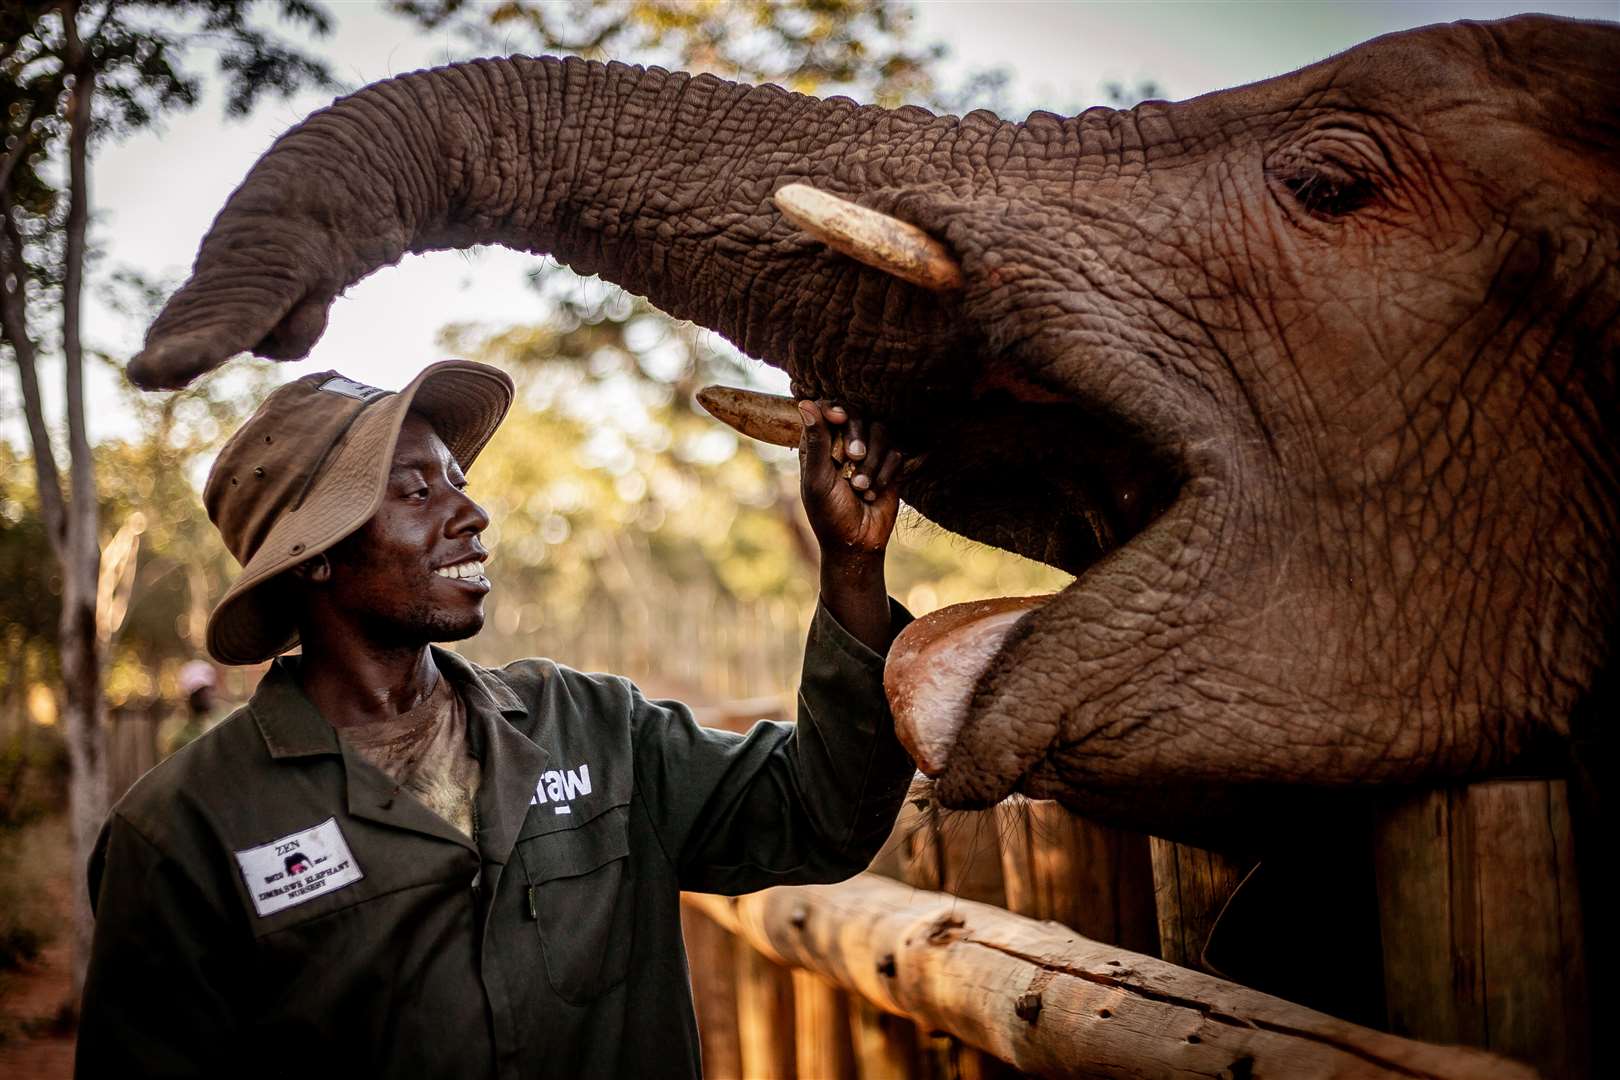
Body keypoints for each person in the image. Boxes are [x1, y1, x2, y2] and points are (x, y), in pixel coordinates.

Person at [75, 361, 915, 1079]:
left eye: (458, 483)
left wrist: (850, 567)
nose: (471, 514)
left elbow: (822, 815)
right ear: (316, 555)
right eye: (414, 489)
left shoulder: (593, 726)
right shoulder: (181, 834)